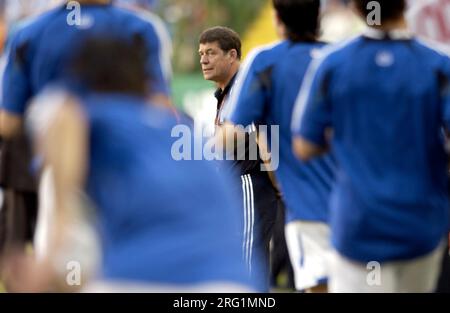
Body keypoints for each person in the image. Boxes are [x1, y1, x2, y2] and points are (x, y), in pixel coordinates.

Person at [3, 35, 258, 293]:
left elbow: (56, 123)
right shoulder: (181, 128)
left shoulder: (82, 112)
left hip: (140, 278)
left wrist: (45, 267)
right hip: (235, 284)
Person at [292, 0, 450, 292]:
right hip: (421, 225)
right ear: (405, 5)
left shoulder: (332, 63)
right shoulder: (438, 65)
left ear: (355, 8)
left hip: (359, 226)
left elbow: (304, 146)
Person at [0, 0, 172, 266]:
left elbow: (8, 121)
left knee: (66, 269)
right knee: (128, 266)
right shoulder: (139, 27)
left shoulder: (30, 32)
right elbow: (159, 108)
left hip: (63, 171)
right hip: (131, 169)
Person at [221, 0, 334, 292]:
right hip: (358, 203)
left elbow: (233, 133)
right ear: (318, 15)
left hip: (309, 207)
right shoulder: (341, 57)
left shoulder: (264, 61)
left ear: (276, 19)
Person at [198, 26, 278, 290]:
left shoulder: (246, 90)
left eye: (211, 52)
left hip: (250, 185)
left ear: (232, 55)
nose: (203, 60)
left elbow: (266, 140)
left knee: (246, 265)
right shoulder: (227, 93)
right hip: (239, 187)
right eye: (201, 54)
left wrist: (278, 185)